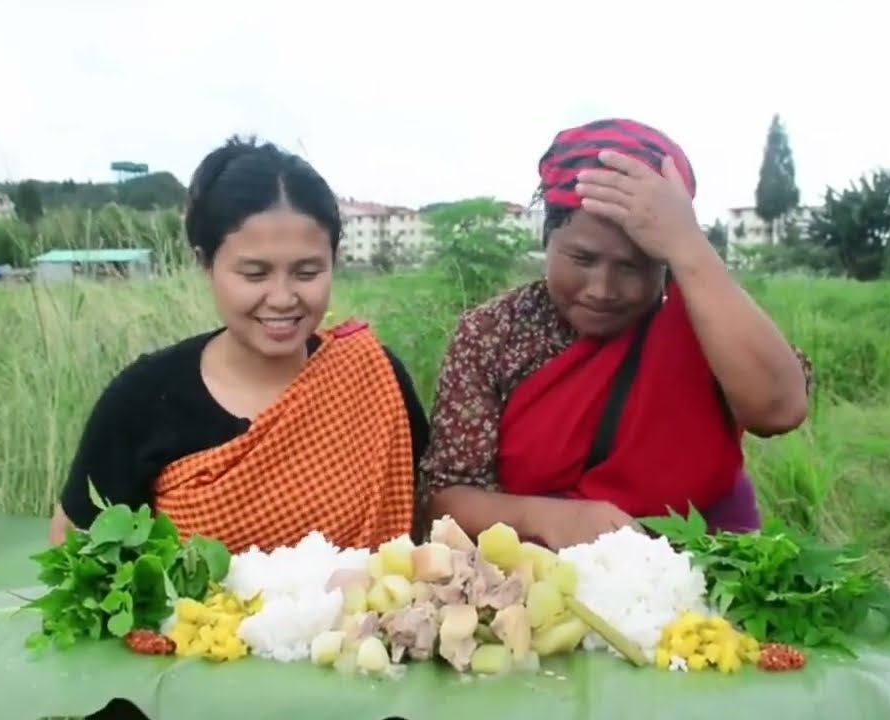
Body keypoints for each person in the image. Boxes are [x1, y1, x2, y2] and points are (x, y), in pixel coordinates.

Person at [420, 118, 815, 551]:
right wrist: (551, 517)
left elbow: (778, 409)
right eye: (582, 258)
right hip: (542, 587)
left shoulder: (705, 319)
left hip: (706, 577)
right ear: (547, 238)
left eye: (633, 266)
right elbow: (446, 501)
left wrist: (688, 245)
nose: (602, 290)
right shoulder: (495, 334)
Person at [49, 135, 431, 555]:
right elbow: (76, 553)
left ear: (333, 262)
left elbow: (423, 518)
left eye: (307, 272)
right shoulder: (143, 401)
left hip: (365, 620)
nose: (283, 298)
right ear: (205, 263)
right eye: (254, 274)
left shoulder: (372, 377)